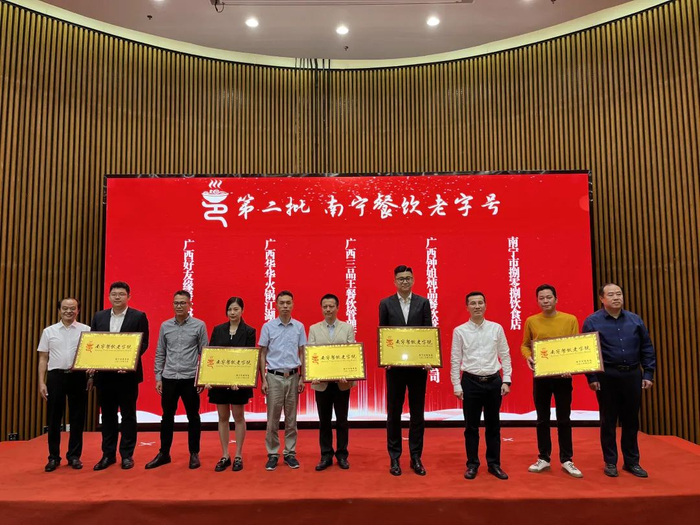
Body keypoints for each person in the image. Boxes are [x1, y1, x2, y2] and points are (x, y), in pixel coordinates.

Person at [583, 283, 656, 478]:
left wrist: (648, 373)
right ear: (602, 299)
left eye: (619, 294)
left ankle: (632, 462)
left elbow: (647, 347)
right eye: (611, 295)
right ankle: (610, 462)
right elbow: (587, 352)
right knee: (608, 420)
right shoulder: (592, 321)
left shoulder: (635, 320)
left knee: (631, 420)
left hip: (632, 375)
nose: (616, 298)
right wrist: (591, 377)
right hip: (607, 376)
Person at [520, 284, 582, 478]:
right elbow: (525, 345)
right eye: (541, 298)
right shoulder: (532, 321)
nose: (545, 301)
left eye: (549, 297)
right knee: (542, 419)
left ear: (556, 299)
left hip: (563, 378)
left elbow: (575, 346)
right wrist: (528, 357)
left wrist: (571, 367)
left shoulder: (570, 319)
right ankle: (544, 458)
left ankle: (567, 459)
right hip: (542, 377)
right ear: (537, 301)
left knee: (564, 419)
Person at [451, 291, 512, 480]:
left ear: (485, 305)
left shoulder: (496, 328)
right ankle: (472, 464)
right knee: (471, 427)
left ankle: (494, 464)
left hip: (493, 382)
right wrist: (456, 385)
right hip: (470, 382)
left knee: (494, 426)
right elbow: (455, 359)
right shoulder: (460, 331)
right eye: (473, 303)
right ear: (467, 307)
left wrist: (506, 379)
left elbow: (505, 354)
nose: (477, 306)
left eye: (480, 303)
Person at [379, 265, 433, 476]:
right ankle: (394, 458)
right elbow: (383, 332)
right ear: (395, 282)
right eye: (401, 278)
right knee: (394, 412)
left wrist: (429, 358)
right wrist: (386, 358)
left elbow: (427, 332)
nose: (404, 281)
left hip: (418, 368)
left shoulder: (423, 302)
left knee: (417, 413)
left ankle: (416, 457)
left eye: (408, 278)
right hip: (395, 368)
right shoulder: (386, 303)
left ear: (413, 280)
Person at [90, 281, 150, 471]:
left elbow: (144, 343)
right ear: (109, 296)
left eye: (121, 294)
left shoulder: (138, 316)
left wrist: (129, 362)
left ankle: (126, 455)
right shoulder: (99, 316)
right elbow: (93, 342)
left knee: (128, 415)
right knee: (108, 416)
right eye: (114, 294)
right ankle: (108, 455)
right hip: (104, 375)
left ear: (128, 297)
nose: (117, 297)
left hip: (127, 376)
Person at [146, 290, 208, 470]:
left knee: (193, 417)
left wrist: (202, 378)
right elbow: (160, 353)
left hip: (190, 378)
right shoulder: (165, 326)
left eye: (182, 303)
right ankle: (164, 453)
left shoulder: (199, 325)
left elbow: (205, 354)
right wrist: (158, 377)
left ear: (190, 305)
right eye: (176, 303)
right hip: (169, 377)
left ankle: (194, 453)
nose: (179, 306)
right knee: (167, 417)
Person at [37, 298, 91, 472]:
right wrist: (41, 382)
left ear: (78, 310)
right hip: (56, 377)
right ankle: (53, 457)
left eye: (72, 308)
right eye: (65, 308)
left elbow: (92, 356)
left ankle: (74, 456)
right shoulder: (49, 331)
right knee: (54, 419)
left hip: (78, 376)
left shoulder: (86, 330)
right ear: (59, 310)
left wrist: (91, 377)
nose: (69, 311)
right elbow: (43, 358)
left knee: (77, 418)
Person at [207, 296, 256, 472]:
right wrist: (208, 378)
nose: (232, 312)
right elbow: (211, 355)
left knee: (238, 417)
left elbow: (249, 358)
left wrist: (241, 381)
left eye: (236, 309)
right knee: (222, 417)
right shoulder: (218, 330)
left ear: (242, 311)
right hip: (220, 383)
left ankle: (238, 455)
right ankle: (225, 455)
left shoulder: (249, 331)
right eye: (229, 309)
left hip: (238, 384)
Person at [259, 290, 306, 471]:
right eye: (282, 303)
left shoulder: (299, 327)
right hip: (274, 377)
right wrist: (263, 380)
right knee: (272, 419)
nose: (285, 306)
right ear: (276, 305)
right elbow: (262, 354)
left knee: (291, 419)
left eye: (288, 303)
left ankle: (290, 453)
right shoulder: (268, 327)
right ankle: (272, 454)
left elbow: (302, 353)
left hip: (293, 376)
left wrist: (302, 377)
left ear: (293, 304)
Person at [308, 293, 355, 471]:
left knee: (342, 420)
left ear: (338, 308)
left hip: (342, 383)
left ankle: (342, 455)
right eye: (325, 306)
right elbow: (311, 354)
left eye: (331, 306)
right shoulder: (314, 329)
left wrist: (348, 374)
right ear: (321, 308)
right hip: (322, 383)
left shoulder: (347, 328)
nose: (328, 309)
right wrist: (313, 373)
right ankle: (326, 455)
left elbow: (351, 354)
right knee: (324, 421)